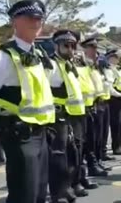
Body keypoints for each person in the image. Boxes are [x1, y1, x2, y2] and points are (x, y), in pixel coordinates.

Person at [0, 0, 56, 203]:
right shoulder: (1, 59)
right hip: (19, 135)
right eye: (29, 17)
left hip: (42, 133)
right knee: (23, 195)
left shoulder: (40, 55)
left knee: (38, 195)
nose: (35, 22)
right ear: (14, 22)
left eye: (39, 18)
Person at [46, 29, 87, 202]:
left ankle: (72, 184)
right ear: (57, 45)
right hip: (58, 114)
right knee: (58, 155)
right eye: (66, 45)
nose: (70, 48)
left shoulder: (70, 65)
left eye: (73, 45)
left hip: (75, 114)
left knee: (75, 152)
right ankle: (59, 192)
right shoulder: (51, 64)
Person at [80, 37, 114, 169]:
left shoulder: (96, 65)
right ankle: (92, 164)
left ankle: (98, 160)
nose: (95, 51)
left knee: (99, 135)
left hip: (99, 103)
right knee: (91, 138)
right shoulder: (82, 64)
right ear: (85, 49)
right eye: (92, 47)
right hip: (88, 105)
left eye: (96, 48)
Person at [104, 49, 121, 155]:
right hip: (115, 98)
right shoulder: (108, 70)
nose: (117, 59)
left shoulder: (120, 70)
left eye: (118, 57)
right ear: (109, 57)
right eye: (115, 57)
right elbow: (110, 87)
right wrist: (120, 95)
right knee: (116, 124)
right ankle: (116, 146)